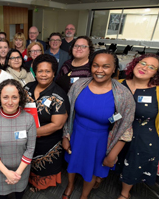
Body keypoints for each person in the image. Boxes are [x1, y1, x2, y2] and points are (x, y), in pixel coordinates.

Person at [62, 50, 135, 199]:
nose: (99, 70)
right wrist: (66, 135)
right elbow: (67, 113)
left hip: (100, 141)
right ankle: (70, 185)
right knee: (72, 163)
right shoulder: (79, 86)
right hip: (77, 134)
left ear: (114, 69)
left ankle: (84, 195)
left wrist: (113, 155)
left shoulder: (122, 94)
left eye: (106, 66)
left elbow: (125, 127)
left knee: (92, 171)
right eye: (95, 65)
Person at [116, 54, 159, 199]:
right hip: (117, 130)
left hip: (143, 136)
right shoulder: (118, 84)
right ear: (135, 63)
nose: (145, 68)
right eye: (143, 63)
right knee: (113, 159)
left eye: (151, 67)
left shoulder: (157, 91)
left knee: (133, 164)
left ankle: (125, 193)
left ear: (156, 73)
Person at [24, 54, 69, 192]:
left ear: (54, 73)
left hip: (48, 141)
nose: (43, 75)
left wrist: (29, 132)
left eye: (47, 71)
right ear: (35, 72)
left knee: (43, 167)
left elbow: (57, 125)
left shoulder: (58, 95)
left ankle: (40, 185)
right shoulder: (27, 88)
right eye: (40, 71)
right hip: (27, 138)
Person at [0, 79, 36, 199]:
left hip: (22, 171)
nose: (10, 102)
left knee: (20, 195)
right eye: (5, 97)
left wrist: (17, 174)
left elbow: (30, 148)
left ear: (20, 99)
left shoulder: (29, 119)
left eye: (14, 97)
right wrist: (7, 173)